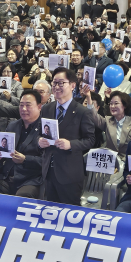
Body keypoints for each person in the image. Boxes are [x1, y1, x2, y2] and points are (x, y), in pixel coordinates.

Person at [38, 68, 95, 205]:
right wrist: (39, 141)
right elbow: (39, 133)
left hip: (70, 174)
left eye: (61, 83)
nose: (56, 86)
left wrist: (71, 144)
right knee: (50, 211)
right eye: (54, 83)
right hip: (48, 171)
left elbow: (91, 140)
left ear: (72, 85)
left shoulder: (82, 111)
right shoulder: (47, 108)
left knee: (70, 213)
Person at [84, 89, 131, 160]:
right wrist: (88, 97)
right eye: (111, 104)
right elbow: (93, 115)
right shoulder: (107, 121)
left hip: (128, 161)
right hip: (109, 161)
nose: (112, 106)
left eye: (116, 103)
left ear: (124, 105)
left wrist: (124, 161)